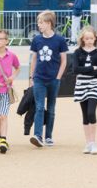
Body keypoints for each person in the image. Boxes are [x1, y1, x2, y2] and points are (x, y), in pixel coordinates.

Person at [29, 10, 68, 148]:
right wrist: (31, 76)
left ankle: (49, 136)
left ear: (49, 23)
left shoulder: (60, 40)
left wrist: (58, 77)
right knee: (39, 107)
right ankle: (37, 135)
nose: (39, 25)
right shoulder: (37, 40)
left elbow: (64, 60)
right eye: (38, 22)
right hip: (39, 78)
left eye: (41, 22)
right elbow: (33, 58)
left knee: (51, 108)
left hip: (53, 79)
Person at [72, 26, 97, 155]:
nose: (89, 40)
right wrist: (92, 68)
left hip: (94, 84)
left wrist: (88, 69)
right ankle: (88, 143)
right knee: (85, 115)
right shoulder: (77, 52)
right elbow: (75, 69)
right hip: (81, 84)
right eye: (86, 38)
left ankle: (94, 142)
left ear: (95, 38)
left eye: (91, 38)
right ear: (82, 39)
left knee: (91, 112)